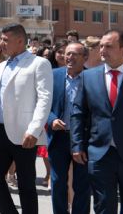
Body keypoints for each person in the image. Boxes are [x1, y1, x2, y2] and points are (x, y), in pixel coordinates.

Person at [0, 23, 53, 214]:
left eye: (6, 40)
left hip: (24, 133)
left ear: (20, 41)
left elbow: (44, 99)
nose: (1, 43)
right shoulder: (1, 66)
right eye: (1, 39)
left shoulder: (38, 64)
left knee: (26, 184)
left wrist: (34, 130)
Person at [71, 29, 123, 214]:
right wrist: (77, 144)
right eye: (101, 46)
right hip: (99, 153)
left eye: (109, 46)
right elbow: (78, 112)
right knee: (103, 206)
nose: (102, 50)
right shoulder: (89, 76)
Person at [46, 42, 91, 214]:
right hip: (59, 137)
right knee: (58, 182)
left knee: (82, 183)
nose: (70, 57)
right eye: (67, 54)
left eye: (75, 54)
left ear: (85, 57)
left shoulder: (92, 77)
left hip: (82, 139)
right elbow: (43, 103)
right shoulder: (53, 75)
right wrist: (52, 120)